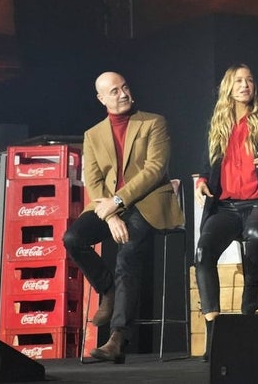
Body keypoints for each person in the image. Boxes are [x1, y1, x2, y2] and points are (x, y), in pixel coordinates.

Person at [63, 71, 184, 364]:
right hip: (109, 208)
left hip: (147, 203)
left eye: (125, 87)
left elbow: (155, 169)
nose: (123, 93)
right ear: (101, 98)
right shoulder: (93, 134)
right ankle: (109, 290)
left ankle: (118, 337)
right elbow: (93, 181)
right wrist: (112, 215)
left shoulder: (154, 122)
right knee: (73, 238)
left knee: (126, 255)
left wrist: (118, 201)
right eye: (114, 91)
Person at [194, 64, 258, 361]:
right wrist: (201, 183)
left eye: (249, 80)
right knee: (203, 252)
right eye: (238, 80)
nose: (245, 85)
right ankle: (214, 330)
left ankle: (250, 302)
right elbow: (205, 167)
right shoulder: (217, 125)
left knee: (256, 235)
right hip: (226, 206)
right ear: (228, 88)